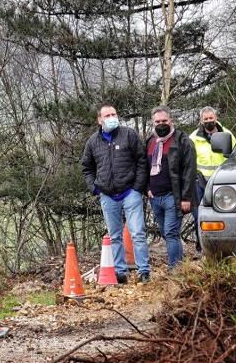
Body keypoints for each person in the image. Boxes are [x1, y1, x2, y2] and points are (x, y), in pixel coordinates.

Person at [80, 104, 151, 283]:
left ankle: (144, 271)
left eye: (114, 114)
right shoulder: (93, 142)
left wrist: (137, 187)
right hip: (107, 195)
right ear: (99, 119)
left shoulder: (129, 135)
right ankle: (120, 272)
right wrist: (94, 187)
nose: (112, 117)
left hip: (130, 193)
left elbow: (142, 161)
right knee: (115, 236)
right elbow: (86, 167)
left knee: (138, 233)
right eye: (107, 115)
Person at [145, 106, 198, 267]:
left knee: (171, 232)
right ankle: (181, 265)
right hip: (155, 196)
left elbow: (190, 171)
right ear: (153, 123)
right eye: (157, 121)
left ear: (171, 121)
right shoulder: (150, 142)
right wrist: (146, 189)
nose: (161, 124)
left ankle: (174, 269)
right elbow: (143, 167)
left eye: (164, 121)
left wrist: (186, 198)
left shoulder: (183, 141)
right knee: (165, 233)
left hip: (173, 196)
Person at [189, 106, 236, 249]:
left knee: (224, 214)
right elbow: (188, 160)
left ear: (216, 118)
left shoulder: (228, 134)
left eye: (211, 118)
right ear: (201, 121)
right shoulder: (194, 138)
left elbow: (235, 157)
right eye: (206, 119)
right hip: (200, 180)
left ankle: (225, 244)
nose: (209, 121)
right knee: (199, 215)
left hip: (222, 180)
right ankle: (201, 245)